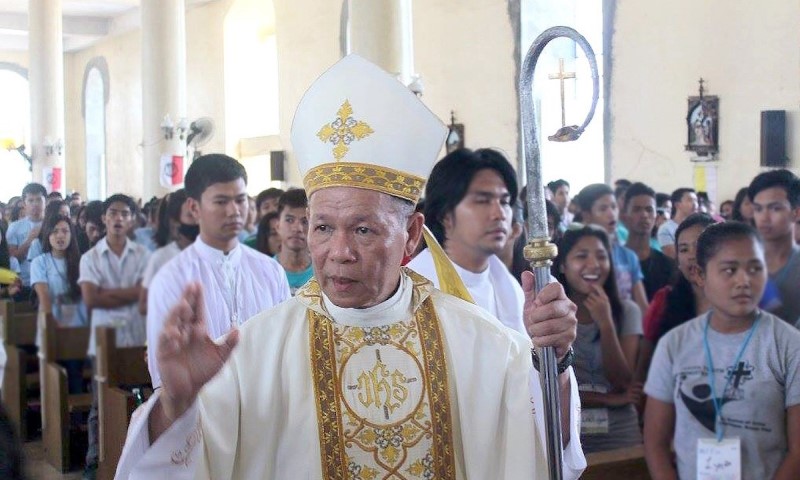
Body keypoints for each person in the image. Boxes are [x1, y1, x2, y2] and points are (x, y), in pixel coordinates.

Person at [115, 54, 577, 479]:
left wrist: (554, 359)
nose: (339, 252)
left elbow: (539, 442)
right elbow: (175, 464)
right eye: (322, 228)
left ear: (412, 234)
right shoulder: (254, 351)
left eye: (363, 230)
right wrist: (175, 404)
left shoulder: (476, 338)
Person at [407, 147, 584, 478]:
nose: (498, 213)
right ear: (445, 214)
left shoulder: (512, 290)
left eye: (504, 201)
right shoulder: (414, 292)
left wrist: (557, 356)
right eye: (482, 200)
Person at [644, 221, 800, 479]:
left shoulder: (789, 345)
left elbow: (798, 452)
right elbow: (656, 444)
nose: (743, 281)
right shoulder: (674, 344)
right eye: (729, 269)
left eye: (755, 268)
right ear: (700, 275)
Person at [145, 154, 290, 388]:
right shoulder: (171, 278)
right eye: (221, 201)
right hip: (200, 411)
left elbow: (286, 348)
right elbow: (163, 374)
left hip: (264, 408)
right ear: (194, 208)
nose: (234, 211)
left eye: (240, 200)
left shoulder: (270, 271)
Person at [79, 193, 151, 479]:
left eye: (124, 213)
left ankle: (138, 462)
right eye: (113, 213)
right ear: (104, 218)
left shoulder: (143, 256)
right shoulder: (91, 258)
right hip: (104, 343)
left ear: (132, 219)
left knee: (142, 403)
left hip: (137, 340)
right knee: (100, 405)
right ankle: (95, 460)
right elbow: (91, 299)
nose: (118, 218)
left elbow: (146, 299)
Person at [555, 225, 643, 452]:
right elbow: (551, 389)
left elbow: (622, 381)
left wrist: (606, 323)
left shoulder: (627, 311)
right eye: (582, 256)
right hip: (568, 427)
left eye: (601, 256)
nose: (594, 264)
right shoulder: (551, 317)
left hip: (620, 429)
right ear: (563, 265)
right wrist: (607, 399)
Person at [634, 213, 716, 384]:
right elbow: (644, 366)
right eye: (684, 249)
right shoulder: (665, 300)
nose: (692, 255)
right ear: (678, 260)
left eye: (699, 245)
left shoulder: (740, 299)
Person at [30, 214, 89, 393]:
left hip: (77, 332)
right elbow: (44, 298)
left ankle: (79, 419)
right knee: (54, 382)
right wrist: (57, 325)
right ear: (48, 235)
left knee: (75, 377)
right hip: (51, 329)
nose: (60, 236)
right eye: (55, 231)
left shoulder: (81, 262)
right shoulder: (40, 262)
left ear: (72, 235)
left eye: (65, 231)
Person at [574, 183, 649, 316]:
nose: (611, 214)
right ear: (586, 215)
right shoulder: (574, 256)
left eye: (614, 207)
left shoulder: (628, 256)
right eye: (603, 209)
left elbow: (643, 310)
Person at [748, 169, 800, 326]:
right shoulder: (740, 262)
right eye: (758, 209)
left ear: (796, 213)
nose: (764, 217)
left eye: (775, 208)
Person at [138, 190, 199, 316]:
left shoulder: (213, 254)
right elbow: (143, 306)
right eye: (190, 215)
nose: (197, 221)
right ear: (175, 221)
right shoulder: (161, 258)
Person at [622, 183, 676, 300]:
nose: (644, 215)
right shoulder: (612, 261)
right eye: (636, 209)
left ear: (656, 217)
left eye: (649, 210)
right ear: (625, 217)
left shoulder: (669, 266)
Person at [6, 182, 47, 298]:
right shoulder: (15, 227)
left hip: (48, 281)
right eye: (31, 200)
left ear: (46, 202)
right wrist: (30, 240)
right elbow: (13, 258)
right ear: (24, 203)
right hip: (24, 283)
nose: (35, 204)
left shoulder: (53, 225)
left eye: (39, 200)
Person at [274, 189, 313, 294]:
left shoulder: (323, 273)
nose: (297, 228)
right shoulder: (264, 272)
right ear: (277, 226)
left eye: (305, 221)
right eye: (289, 220)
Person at [657, 187, 699, 259]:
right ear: (677, 205)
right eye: (690, 200)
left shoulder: (699, 226)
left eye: (696, 200)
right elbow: (673, 255)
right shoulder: (666, 229)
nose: (695, 204)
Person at [26, 199, 71, 263]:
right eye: (62, 214)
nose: (66, 217)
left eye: (68, 214)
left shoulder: (72, 237)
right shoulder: (37, 243)